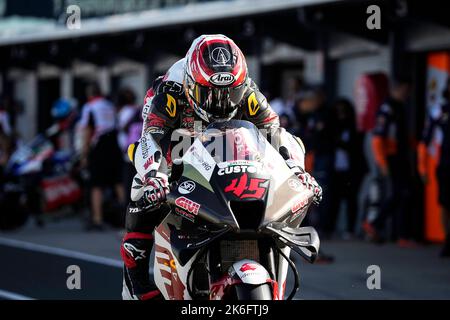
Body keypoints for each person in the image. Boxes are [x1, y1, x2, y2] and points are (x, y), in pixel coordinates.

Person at [120, 34, 323, 300]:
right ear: (191, 83)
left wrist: (298, 172)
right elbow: (151, 139)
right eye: (210, 93)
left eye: (230, 93)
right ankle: (136, 282)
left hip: (226, 148)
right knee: (142, 189)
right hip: (178, 140)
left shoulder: (250, 93)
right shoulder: (169, 93)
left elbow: (277, 134)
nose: (222, 102)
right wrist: (154, 176)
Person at [363, 79, 414, 246]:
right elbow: (377, 139)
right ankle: (377, 225)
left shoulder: (399, 106)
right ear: (397, 88)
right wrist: (382, 163)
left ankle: (396, 233)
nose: (408, 94)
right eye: (406, 90)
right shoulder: (388, 108)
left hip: (401, 157)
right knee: (400, 194)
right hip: (393, 159)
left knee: (402, 195)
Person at [79, 83, 125, 231]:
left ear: (90, 95)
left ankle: (97, 219)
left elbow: (88, 129)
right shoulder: (110, 105)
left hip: (99, 146)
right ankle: (126, 217)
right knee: (118, 181)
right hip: (114, 143)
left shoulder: (90, 106)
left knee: (96, 184)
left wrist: (84, 153)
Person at [418, 78, 450, 257]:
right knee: (445, 204)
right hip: (445, 164)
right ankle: (447, 239)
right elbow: (425, 141)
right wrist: (422, 168)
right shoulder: (439, 110)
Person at [326, 98, 362, 238]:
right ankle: (330, 228)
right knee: (333, 200)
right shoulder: (332, 126)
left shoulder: (353, 127)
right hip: (335, 168)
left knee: (351, 199)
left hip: (350, 169)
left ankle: (350, 229)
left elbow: (354, 146)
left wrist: (339, 142)